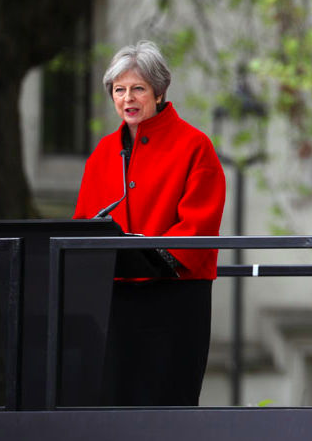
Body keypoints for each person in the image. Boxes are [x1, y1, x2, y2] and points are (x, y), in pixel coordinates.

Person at [74, 40, 226, 406]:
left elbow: (199, 224)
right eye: (119, 90)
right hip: (114, 304)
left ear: (159, 93)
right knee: (112, 409)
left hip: (173, 303)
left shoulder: (194, 146)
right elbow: (81, 224)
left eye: (138, 89)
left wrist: (148, 253)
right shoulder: (102, 154)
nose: (128, 98)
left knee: (165, 408)